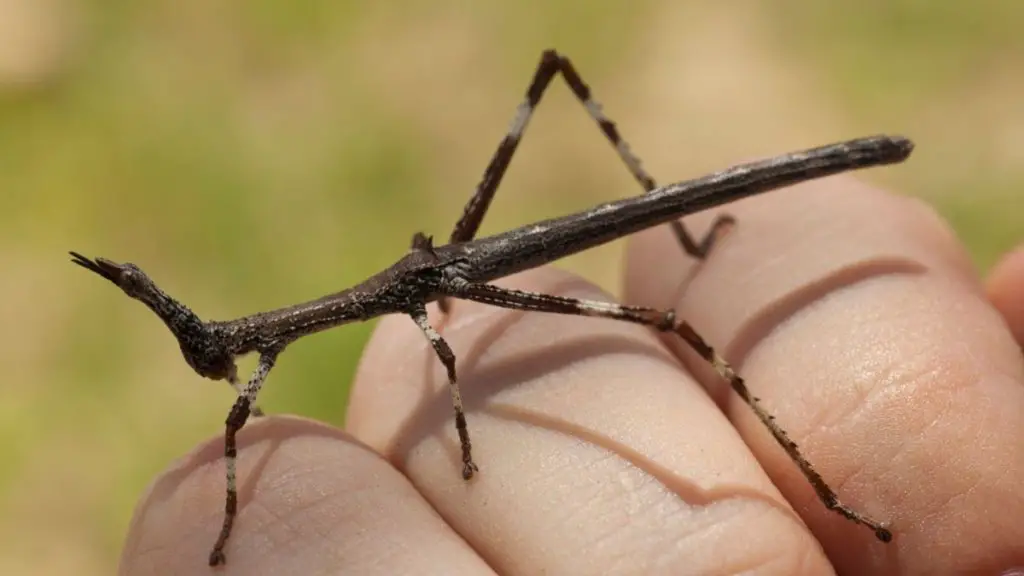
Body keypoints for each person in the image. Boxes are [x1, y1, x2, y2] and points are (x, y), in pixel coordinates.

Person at [118, 177, 1024, 575]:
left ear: (242, 347)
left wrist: (463, 426)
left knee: (668, 320)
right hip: (445, 285)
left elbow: (436, 355)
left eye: (218, 353)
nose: (221, 369)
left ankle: (828, 486)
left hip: (457, 276)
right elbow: (437, 352)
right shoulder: (297, 352)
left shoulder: (276, 365)